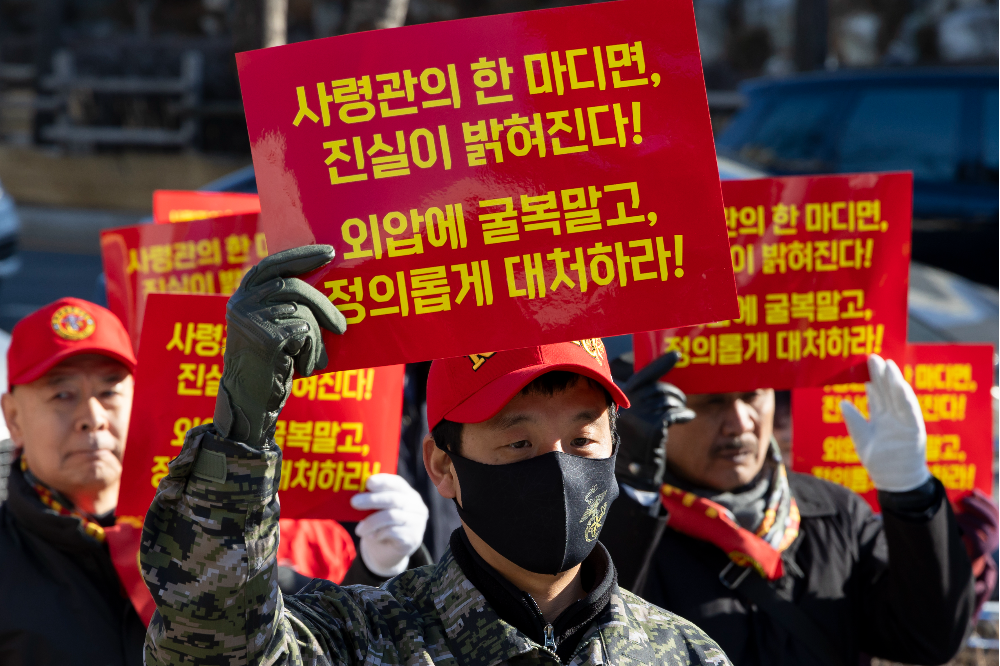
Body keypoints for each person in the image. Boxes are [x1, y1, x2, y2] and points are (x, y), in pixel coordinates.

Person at [139, 245, 731, 665]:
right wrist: (242, 430)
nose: (558, 469)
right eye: (518, 443)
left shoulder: (684, 653)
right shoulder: (359, 637)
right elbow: (209, 650)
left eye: (582, 442)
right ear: (444, 465)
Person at [603, 354, 976, 666]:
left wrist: (911, 494)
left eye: (753, 396)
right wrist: (630, 497)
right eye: (711, 402)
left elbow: (930, 638)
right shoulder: (612, 522)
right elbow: (598, 639)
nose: (740, 423)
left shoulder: (834, 511)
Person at [0, 297, 146, 665]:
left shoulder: (199, 543)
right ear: (14, 418)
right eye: (62, 394)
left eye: (110, 392)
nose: (92, 417)